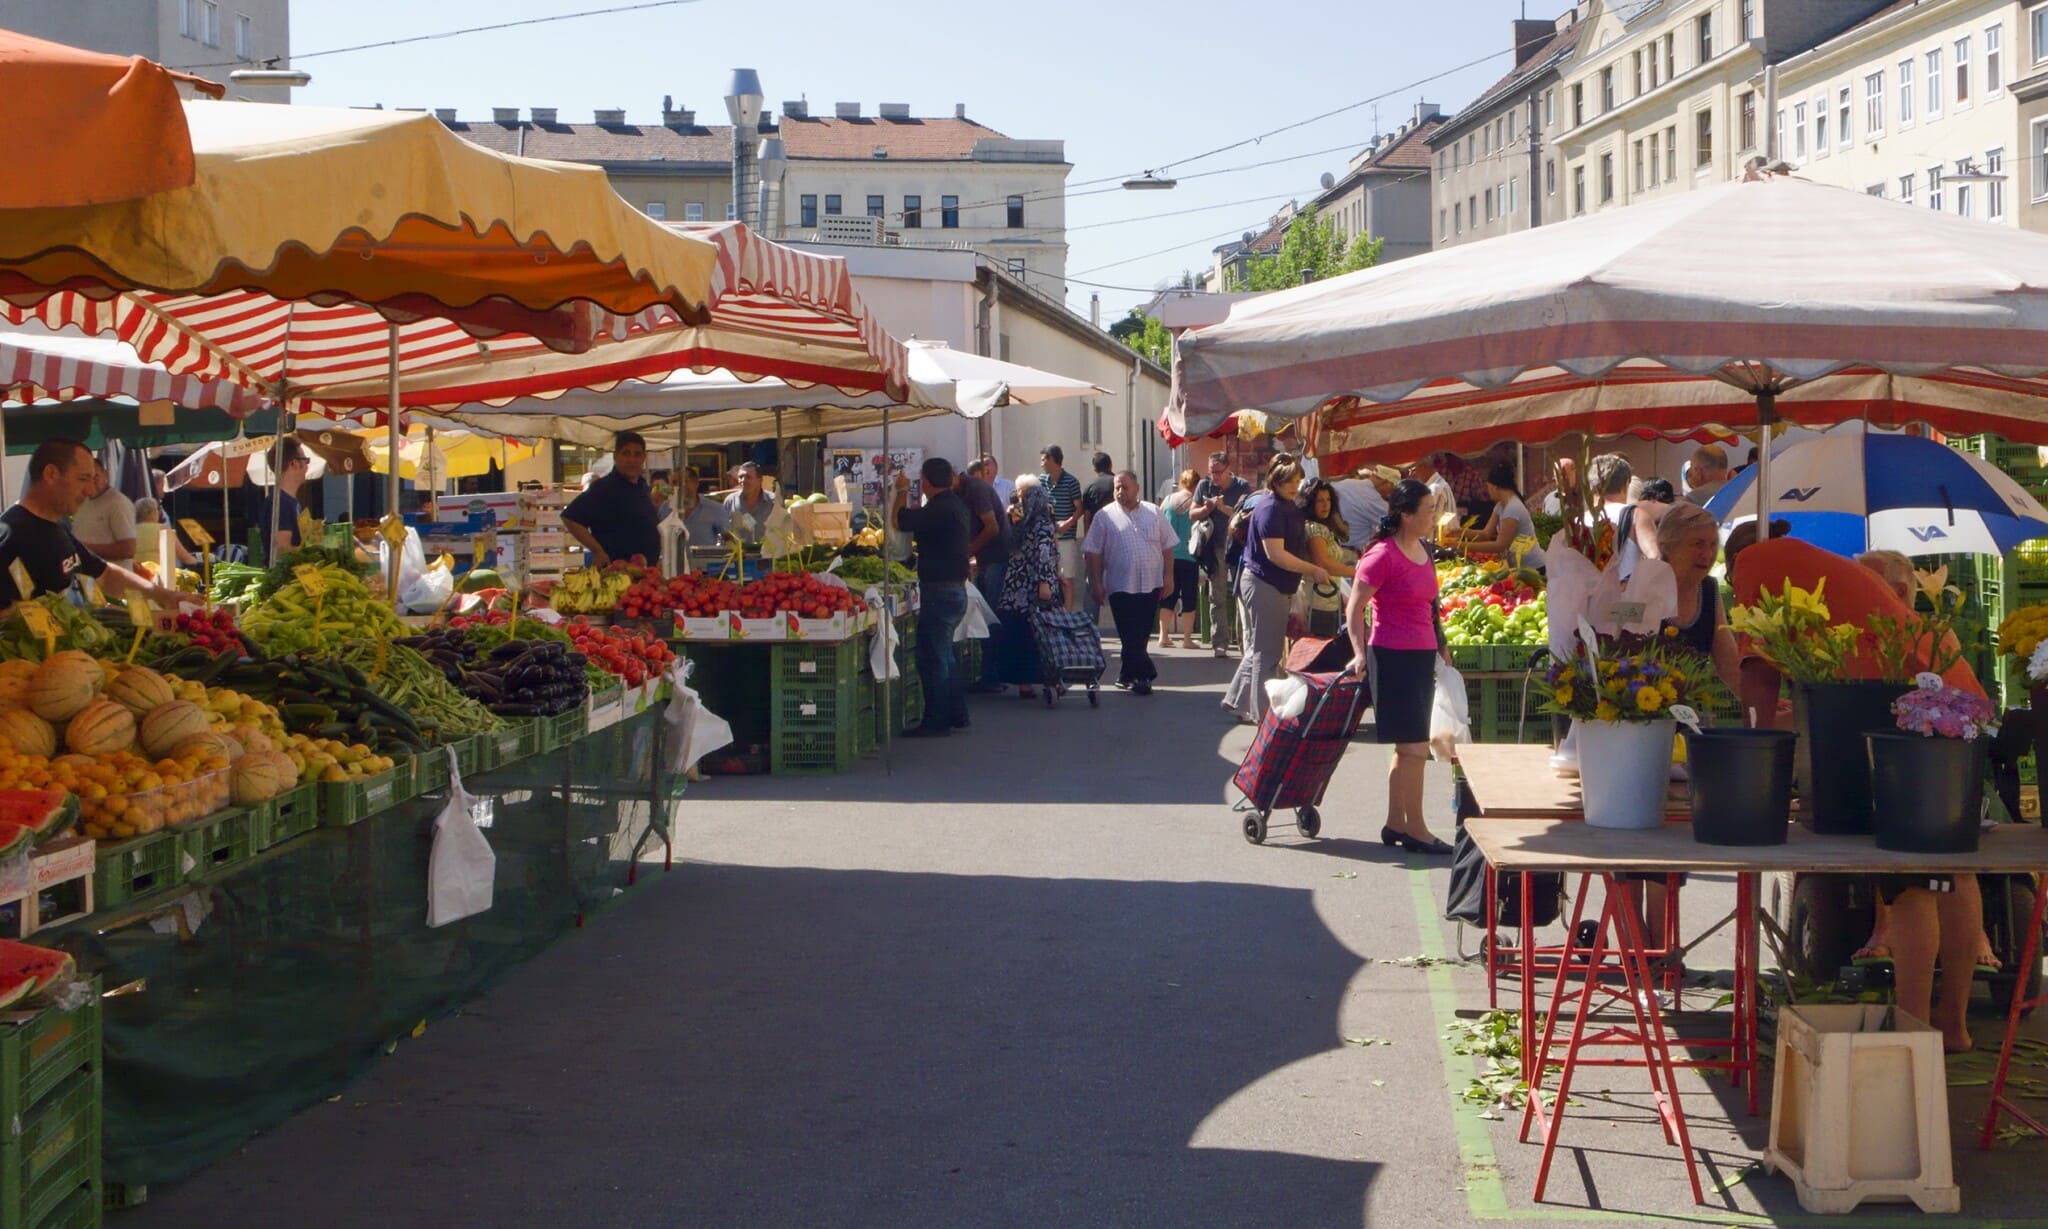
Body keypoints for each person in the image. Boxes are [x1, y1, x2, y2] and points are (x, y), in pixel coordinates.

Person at [1347, 478, 1451, 854]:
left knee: (1407, 746)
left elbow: (1430, 605)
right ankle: (1418, 830)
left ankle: (1396, 822)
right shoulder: (1381, 555)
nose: (1433, 516)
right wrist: (1359, 652)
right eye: (1427, 510)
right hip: (1392, 655)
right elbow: (1354, 607)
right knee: (1415, 747)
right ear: (1406, 515)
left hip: (1421, 654)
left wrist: (1441, 644)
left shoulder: (1422, 549)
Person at [0, 439, 185, 609]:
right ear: (51, 474)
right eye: (83, 479)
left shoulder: (58, 527)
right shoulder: (11, 536)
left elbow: (105, 575)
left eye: (92, 480)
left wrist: (164, 595)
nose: (89, 491)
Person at [1223, 458, 1328, 724]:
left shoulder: (1285, 505)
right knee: (1267, 654)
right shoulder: (1270, 508)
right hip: (1265, 584)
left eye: (1297, 480)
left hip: (1270, 583)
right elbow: (1276, 555)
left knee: (1259, 649)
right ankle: (1264, 716)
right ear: (1276, 481)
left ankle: (1236, 700)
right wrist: (1312, 569)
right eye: (1289, 481)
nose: (1295, 486)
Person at [893, 458, 974, 737]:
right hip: (953, 590)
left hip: (940, 592)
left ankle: (937, 719)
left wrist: (901, 491)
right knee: (945, 655)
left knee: (933, 657)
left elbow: (901, 520)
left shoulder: (939, 508)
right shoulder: (956, 506)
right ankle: (956, 713)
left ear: (926, 482)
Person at [1084, 472, 1177, 695]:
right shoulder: (1104, 516)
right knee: (1128, 633)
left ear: (1137, 488)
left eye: (1125, 487)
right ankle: (1144, 675)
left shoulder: (1154, 512)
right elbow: (1092, 551)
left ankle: (1127, 674)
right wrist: (1096, 582)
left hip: (1151, 583)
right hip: (1120, 584)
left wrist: (1169, 576)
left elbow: (1168, 545)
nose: (1120, 492)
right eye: (1117, 487)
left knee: (1141, 633)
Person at [997, 475, 1059, 700]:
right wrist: (1046, 581)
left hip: (1017, 587)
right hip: (1033, 587)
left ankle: (1025, 683)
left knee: (1021, 635)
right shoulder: (1041, 523)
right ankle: (1043, 678)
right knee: (1039, 634)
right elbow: (1044, 553)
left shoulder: (1025, 524)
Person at [563, 432, 661, 568]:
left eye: (637, 454)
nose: (632, 460)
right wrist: (597, 550)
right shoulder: (604, 487)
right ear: (615, 456)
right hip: (615, 574)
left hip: (646, 573)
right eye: (626, 453)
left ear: (644, 458)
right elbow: (570, 517)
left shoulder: (642, 485)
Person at [1190, 449, 1252, 657]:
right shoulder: (1204, 485)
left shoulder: (1242, 486)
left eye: (1218, 472)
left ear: (1228, 469)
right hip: (1215, 546)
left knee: (1241, 594)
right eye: (1210, 472)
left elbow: (1245, 516)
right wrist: (1207, 508)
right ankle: (1220, 642)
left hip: (1237, 545)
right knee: (1216, 595)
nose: (1214, 476)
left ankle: (1244, 642)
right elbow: (1192, 513)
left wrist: (1223, 507)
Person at [958, 461, 1009, 693]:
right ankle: (989, 673)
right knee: (988, 613)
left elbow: (992, 527)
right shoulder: (968, 490)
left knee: (991, 615)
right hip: (986, 559)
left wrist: (969, 551)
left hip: (995, 558)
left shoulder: (976, 489)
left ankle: (992, 675)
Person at [1460, 462, 1547, 572]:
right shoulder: (1500, 506)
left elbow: (1500, 545)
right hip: (1519, 567)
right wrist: (1460, 532)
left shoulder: (1513, 508)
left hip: (1533, 567)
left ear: (1494, 487)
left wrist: (1463, 546)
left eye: (1488, 487)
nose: (1488, 491)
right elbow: (1486, 534)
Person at [1297, 478, 1355, 639]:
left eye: (1328, 500)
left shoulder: (1319, 527)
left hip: (1324, 597)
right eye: (1320, 501)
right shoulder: (1315, 528)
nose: (1326, 505)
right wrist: (1355, 573)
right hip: (1318, 599)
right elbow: (1322, 562)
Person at [1158, 470, 1201, 649]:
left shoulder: (1167, 500)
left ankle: (1163, 636)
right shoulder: (1196, 503)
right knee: (1189, 597)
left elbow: (1158, 522)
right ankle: (1187, 639)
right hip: (1189, 556)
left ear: (1182, 482)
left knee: (1168, 596)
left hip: (1168, 555)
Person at [1040, 446, 1084, 610]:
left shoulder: (1071, 482)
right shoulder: (1041, 481)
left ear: (1053, 460)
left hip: (1065, 538)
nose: (1042, 463)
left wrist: (1068, 523)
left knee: (1066, 578)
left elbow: (1079, 508)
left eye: (1044, 459)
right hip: (1047, 538)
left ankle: (1067, 614)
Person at [71, 458, 136, 565]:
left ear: (106, 475)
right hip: (88, 577)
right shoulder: (83, 501)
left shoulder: (118, 503)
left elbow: (128, 549)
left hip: (110, 579)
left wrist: (84, 549)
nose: (91, 482)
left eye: (96, 477)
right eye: (85, 478)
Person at [1077, 452, 1116, 624]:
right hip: (1117, 536)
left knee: (1092, 579)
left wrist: (1087, 541)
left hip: (1097, 539)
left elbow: (1086, 516)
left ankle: (1090, 622)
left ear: (1094, 468)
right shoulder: (1119, 483)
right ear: (1110, 464)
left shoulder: (1090, 486)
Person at [1332, 465, 1398, 555]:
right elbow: (1398, 525)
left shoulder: (1346, 483)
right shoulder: (1376, 501)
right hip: (1356, 553)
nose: (1391, 494)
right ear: (1386, 482)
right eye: (1392, 488)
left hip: (1335, 547)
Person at [132, 497, 198, 578]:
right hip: (157, 577)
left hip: (135, 576)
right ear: (153, 513)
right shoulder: (163, 529)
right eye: (157, 509)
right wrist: (199, 562)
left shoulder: (130, 530)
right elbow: (185, 558)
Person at [721, 462, 778, 546]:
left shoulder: (773, 502)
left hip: (768, 554)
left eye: (748, 477)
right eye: (740, 477)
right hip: (738, 555)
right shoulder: (730, 501)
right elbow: (723, 529)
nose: (743, 481)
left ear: (760, 480)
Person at [1406, 453, 1458, 544]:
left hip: (1438, 545)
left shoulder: (1435, 489)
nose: (1411, 474)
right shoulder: (1436, 485)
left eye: (1413, 469)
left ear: (1424, 467)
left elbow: (1430, 525)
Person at [679, 465, 731, 549]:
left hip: (704, 561)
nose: (679, 487)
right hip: (672, 562)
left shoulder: (714, 509)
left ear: (696, 483)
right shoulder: (665, 508)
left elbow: (730, 539)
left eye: (684, 481)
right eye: (674, 482)